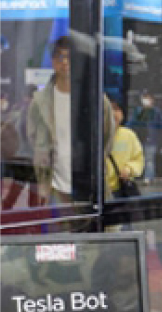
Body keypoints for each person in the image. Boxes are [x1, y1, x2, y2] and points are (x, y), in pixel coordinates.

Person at [28, 36, 115, 204]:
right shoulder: (40, 102)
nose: (65, 62)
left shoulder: (96, 99)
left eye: (70, 57)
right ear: (53, 61)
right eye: (60, 57)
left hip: (89, 186)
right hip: (54, 188)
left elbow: (107, 137)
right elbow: (33, 138)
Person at [1, 85, 41, 210]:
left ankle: (7, 216)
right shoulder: (28, 113)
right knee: (32, 199)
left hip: (25, 160)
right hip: (28, 160)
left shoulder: (20, 112)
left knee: (22, 197)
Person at [106, 100, 144, 199]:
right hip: (99, 192)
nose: (113, 113)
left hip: (119, 190)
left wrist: (129, 169)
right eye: (109, 109)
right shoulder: (94, 135)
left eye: (116, 109)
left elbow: (138, 160)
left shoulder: (129, 135)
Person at [129, 91, 162, 183]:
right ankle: (140, 175)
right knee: (139, 158)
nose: (146, 100)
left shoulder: (156, 112)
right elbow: (132, 123)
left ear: (152, 100)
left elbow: (161, 126)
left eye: (148, 98)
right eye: (144, 98)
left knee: (149, 159)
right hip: (139, 138)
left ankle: (148, 177)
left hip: (151, 139)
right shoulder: (138, 110)